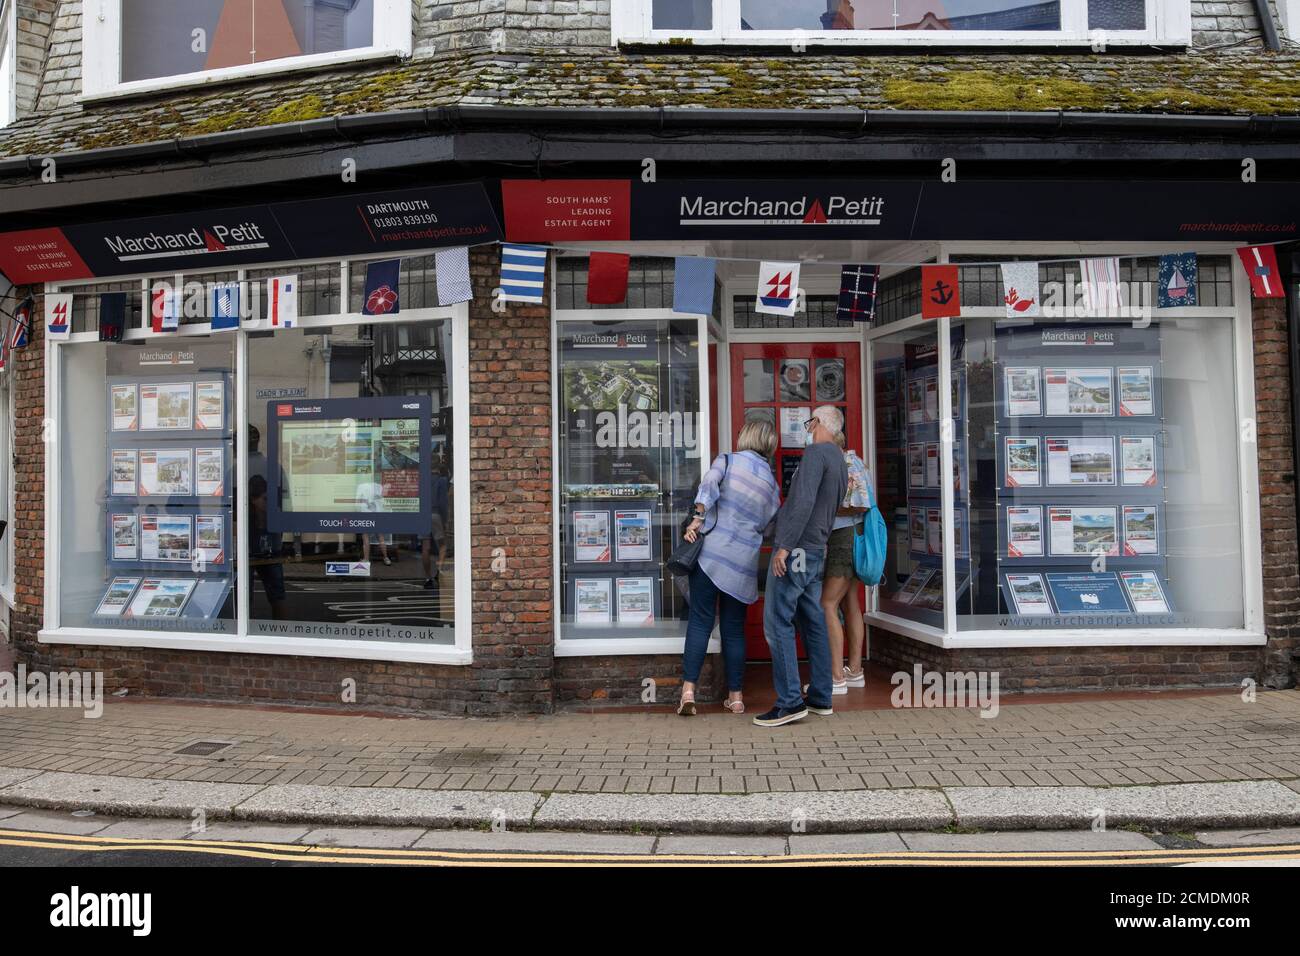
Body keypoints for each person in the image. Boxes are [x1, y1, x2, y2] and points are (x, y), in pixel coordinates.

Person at [677, 419, 781, 717]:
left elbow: (708, 483)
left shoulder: (727, 460)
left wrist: (698, 516)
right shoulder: (772, 486)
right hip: (742, 563)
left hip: (711, 557)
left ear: (745, 436)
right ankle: (736, 697)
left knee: (700, 622)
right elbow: (770, 528)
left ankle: (688, 691)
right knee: (734, 630)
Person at [753, 405, 848, 728]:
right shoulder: (839, 459)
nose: (808, 429)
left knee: (777, 621)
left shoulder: (816, 454)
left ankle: (790, 701)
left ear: (820, 423)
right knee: (813, 621)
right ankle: (821, 696)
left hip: (797, 551)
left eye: (811, 423)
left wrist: (783, 546)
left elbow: (803, 501)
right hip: (816, 550)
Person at [821, 431, 873, 695]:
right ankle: (855, 671)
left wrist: (824, 509)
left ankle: (836, 677)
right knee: (850, 601)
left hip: (843, 537)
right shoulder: (858, 462)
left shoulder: (842, 464)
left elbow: (859, 505)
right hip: (857, 536)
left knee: (827, 604)